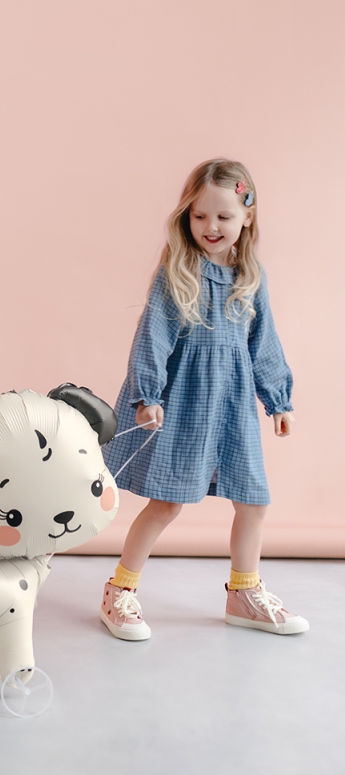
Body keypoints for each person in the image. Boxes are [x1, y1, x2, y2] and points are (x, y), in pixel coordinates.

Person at [100, 158, 308, 640]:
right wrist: (147, 394)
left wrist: (278, 400)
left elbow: (264, 342)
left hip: (233, 407)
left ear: (247, 217)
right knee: (166, 504)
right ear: (186, 217)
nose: (211, 226)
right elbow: (152, 337)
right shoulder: (178, 271)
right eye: (200, 216)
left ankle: (244, 593)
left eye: (223, 216)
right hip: (185, 403)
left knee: (253, 502)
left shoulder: (251, 275)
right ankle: (120, 590)